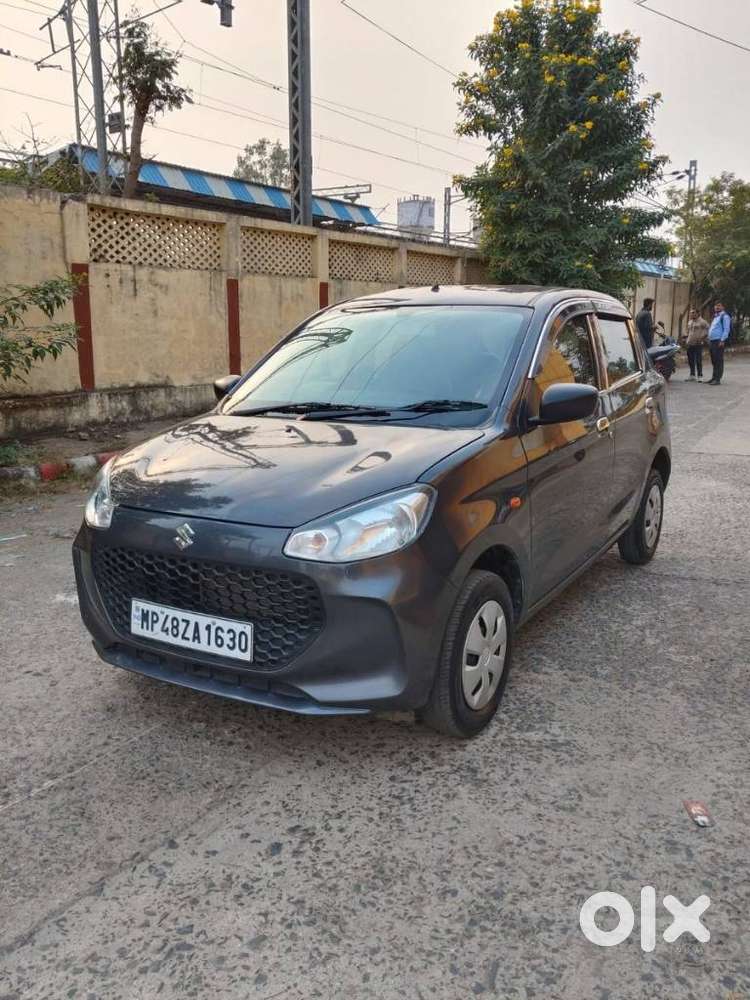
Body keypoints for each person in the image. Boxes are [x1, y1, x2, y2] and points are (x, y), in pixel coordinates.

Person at [707, 301, 731, 385]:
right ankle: (714, 377)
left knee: (718, 360)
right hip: (712, 341)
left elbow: (726, 329)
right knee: (714, 360)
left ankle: (717, 379)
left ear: (723, 307)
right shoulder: (716, 316)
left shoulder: (725, 316)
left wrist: (722, 340)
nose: (717, 307)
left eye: (719, 306)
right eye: (715, 306)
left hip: (718, 341)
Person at [684, 308, 709, 381]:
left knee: (698, 360)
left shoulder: (702, 322)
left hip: (698, 343)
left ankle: (700, 376)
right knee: (690, 359)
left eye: (693, 313)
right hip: (690, 343)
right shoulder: (690, 322)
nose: (692, 314)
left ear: (698, 313)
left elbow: (707, 330)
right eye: (691, 313)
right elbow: (688, 332)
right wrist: (685, 338)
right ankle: (692, 375)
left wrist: (702, 338)